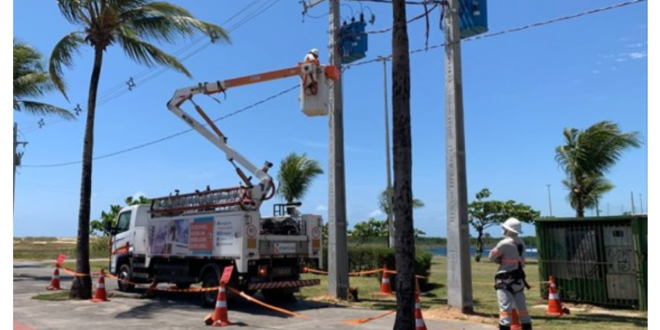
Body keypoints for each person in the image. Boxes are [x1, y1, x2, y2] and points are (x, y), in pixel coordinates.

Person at [489, 217, 532, 330]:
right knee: (523, 311)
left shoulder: (503, 243)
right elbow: (522, 262)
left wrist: (501, 260)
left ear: (507, 229)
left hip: (505, 279)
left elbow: (491, 257)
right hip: (518, 280)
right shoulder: (521, 242)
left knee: (505, 312)